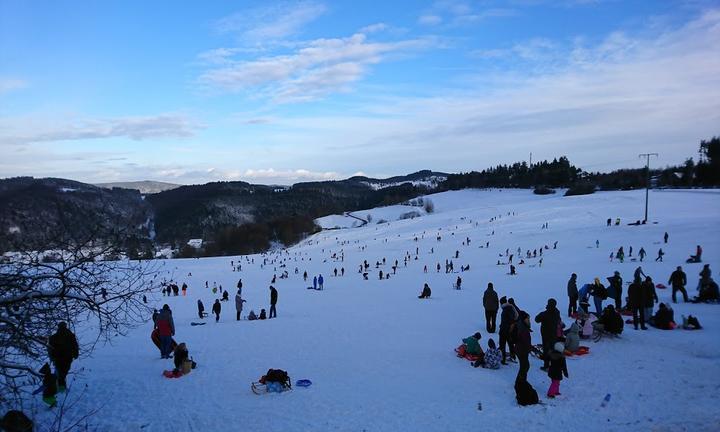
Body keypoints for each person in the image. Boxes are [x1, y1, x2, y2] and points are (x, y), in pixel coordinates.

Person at [48, 322, 79, 392]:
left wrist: (51, 357)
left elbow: (50, 348)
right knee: (63, 373)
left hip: (58, 358)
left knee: (61, 372)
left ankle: (60, 387)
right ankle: (61, 388)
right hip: (67, 357)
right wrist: (75, 354)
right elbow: (75, 346)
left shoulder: (54, 337)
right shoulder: (70, 335)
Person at [534, 299, 561, 371]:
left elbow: (536, 319)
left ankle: (546, 366)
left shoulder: (545, 314)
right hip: (554, 334)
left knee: (546, 350)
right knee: (553, 349)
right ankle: (554, 364)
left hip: (546, 335)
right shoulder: (557, 312)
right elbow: (559, 320)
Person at [514, 311, 532, 383]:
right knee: (524, 367)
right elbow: (525, 340)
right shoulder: (523, 328)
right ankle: (521, 382)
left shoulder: (521, 324)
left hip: (521, 349)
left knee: (524, 366)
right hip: (522, 350)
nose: (529, 320)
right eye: (527, 319)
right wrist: (529, 347)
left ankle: (521, 381)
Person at [499, 297, 517, 364]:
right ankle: (513, 357)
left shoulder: (506, 310)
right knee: (510, 344)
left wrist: (507, 328)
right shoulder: (510, 308)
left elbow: (510, 321)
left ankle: (503, 359)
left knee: (502, 345)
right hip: (508, 330)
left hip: (504, 330)